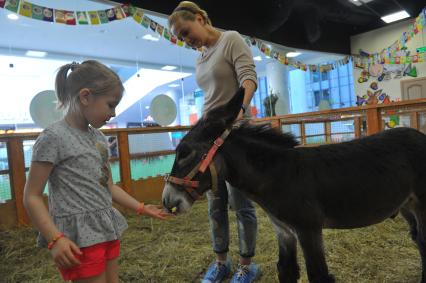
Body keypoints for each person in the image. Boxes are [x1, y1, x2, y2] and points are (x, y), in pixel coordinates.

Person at [23, 60, 173, 283]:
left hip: (105, 227)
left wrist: (141, 207)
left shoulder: (99, 138)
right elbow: (32, 196)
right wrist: (55, 239)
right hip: (79, 236)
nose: (113, 113)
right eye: (111, 105)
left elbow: (108, 185)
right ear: (85, 97)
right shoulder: (53, 137)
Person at [169, 2, 259, 283]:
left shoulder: (230, 39)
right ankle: (221, 261)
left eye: (186, 31)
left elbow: (248, 79)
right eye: (181, 38)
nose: (186, 40)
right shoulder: (201, 58)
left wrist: (239, 113)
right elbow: (210, 96)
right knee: (215, 204)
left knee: (241, 203)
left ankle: (246, 266)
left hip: (236, 135)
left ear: (199, 18)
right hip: (210, 137)